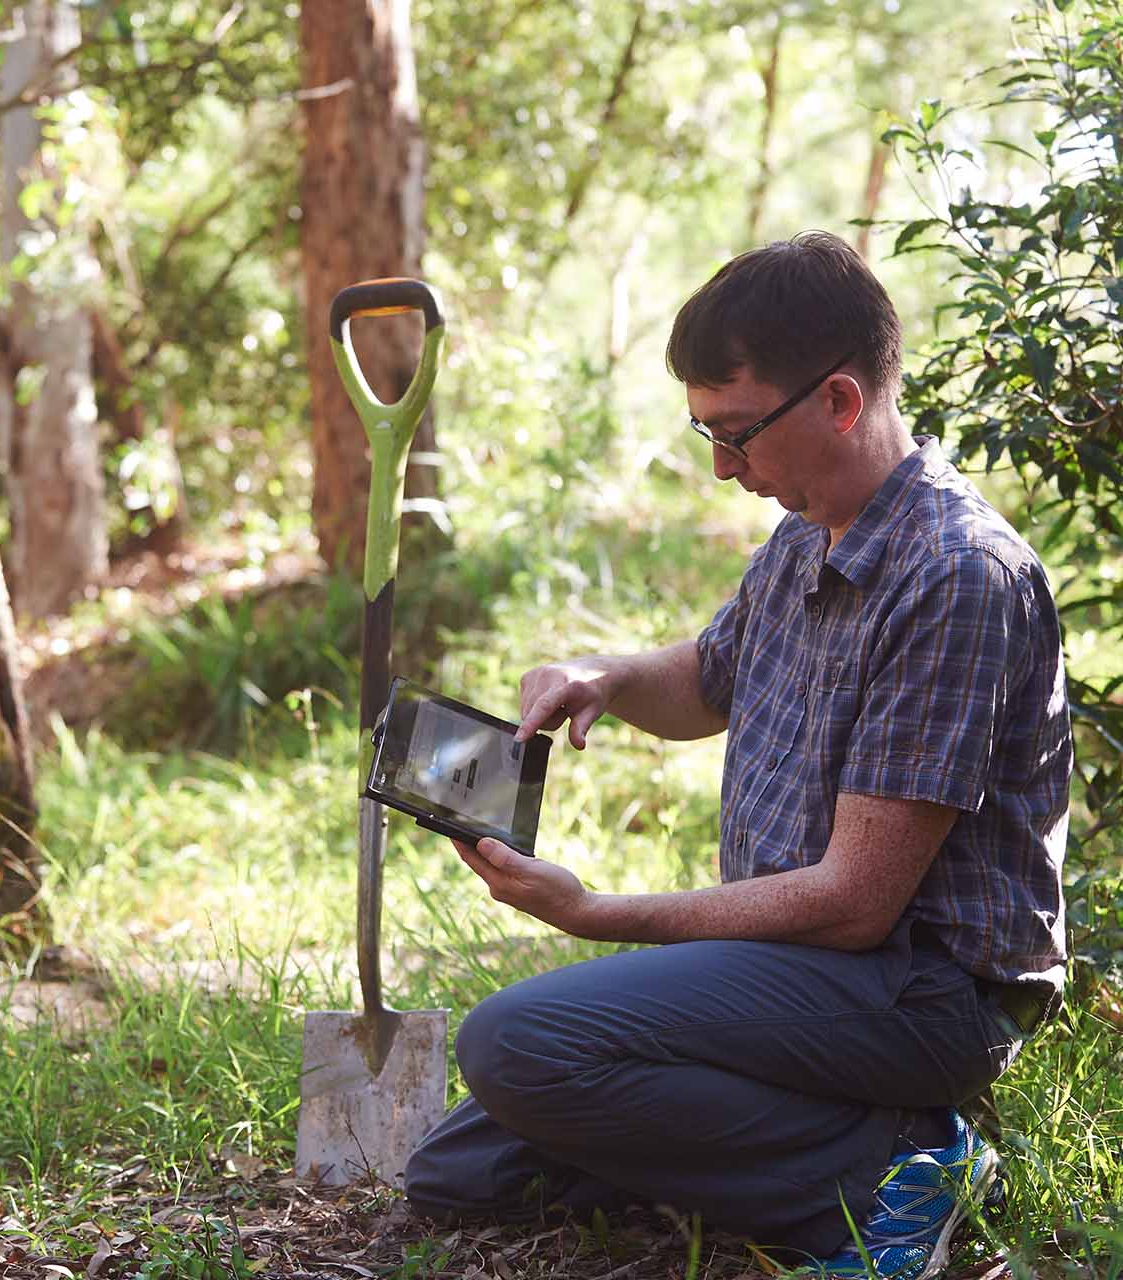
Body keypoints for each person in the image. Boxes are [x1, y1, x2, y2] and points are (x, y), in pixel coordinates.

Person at [403, 231, 1070, 1280]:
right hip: (802, 971)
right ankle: (797, 1124)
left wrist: (596, 913)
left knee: (514, 1046)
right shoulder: (809, 529)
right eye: (705, 433)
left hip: (921, 990)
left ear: (841, 400)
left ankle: (894, 1164)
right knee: (458, 1169)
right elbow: (708, 681)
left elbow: (856, 901)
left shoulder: (955, 577)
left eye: (738, 432)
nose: (722, 466)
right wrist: (608, 678)